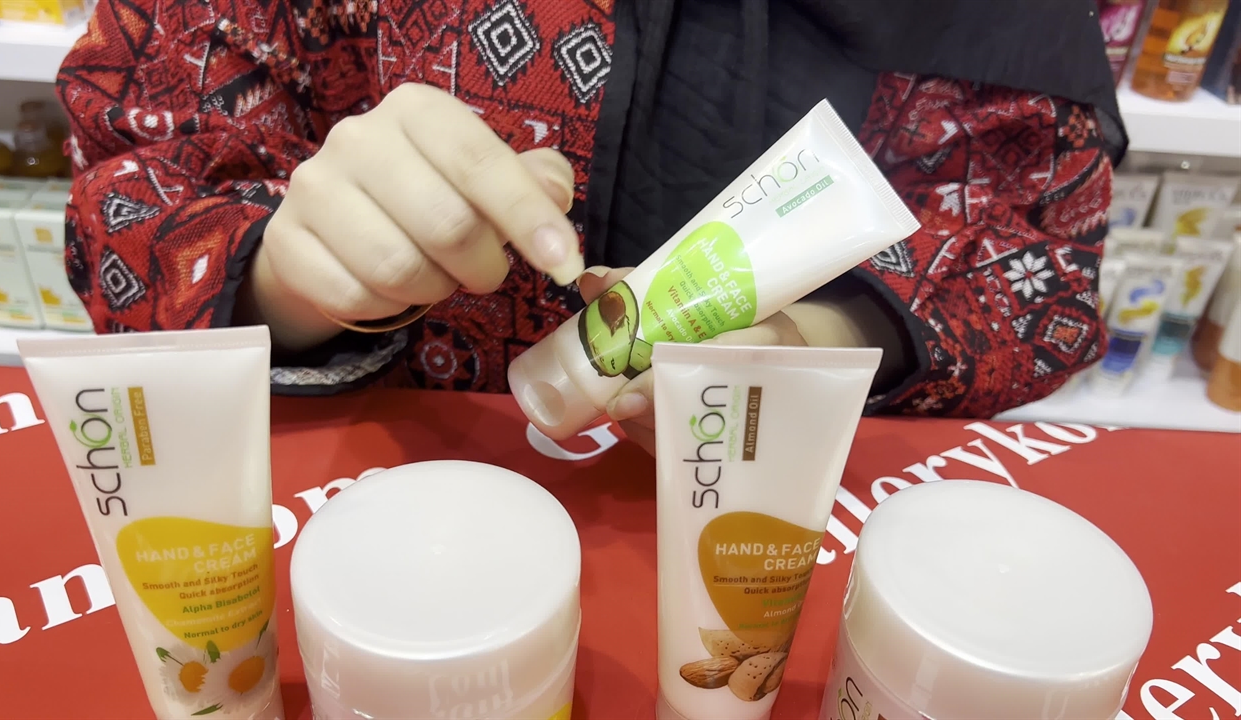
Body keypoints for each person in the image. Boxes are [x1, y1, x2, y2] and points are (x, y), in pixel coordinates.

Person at [56, 0, 1122, 453]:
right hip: (377, 494)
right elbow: (134, 173)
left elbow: (1040, 265)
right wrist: (284, 279)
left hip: (771, 529)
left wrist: (831, 338)